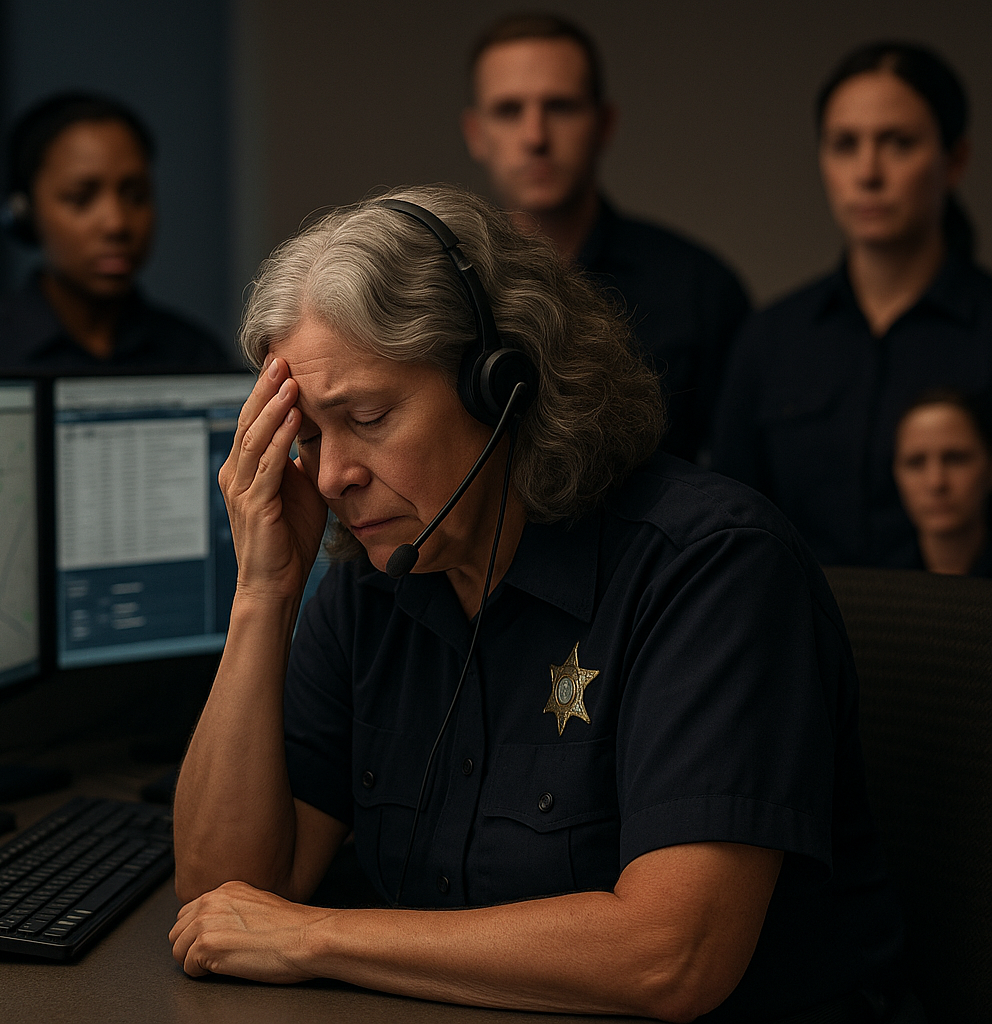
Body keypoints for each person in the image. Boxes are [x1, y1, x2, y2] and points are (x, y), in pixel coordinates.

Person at [169, 185, 909, 1023]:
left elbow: (672, 957)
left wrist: (315, 938)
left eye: (367, 417)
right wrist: (264, 592)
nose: (333, 475)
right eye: (308, 438)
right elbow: (221, 909)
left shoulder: (710, 569)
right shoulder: (372, 584)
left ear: (503, 385)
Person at [713, 42, 991, 568]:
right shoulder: (772, 340)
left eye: (898, 143)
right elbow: (731, 524)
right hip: (804, 641)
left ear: (954, 160)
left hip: (965, 637)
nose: (867, 172)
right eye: (844, 144)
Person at [461, 13, 748, 463]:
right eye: (509, 110)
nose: (535, 137)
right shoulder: (441, 291)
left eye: (560, 107)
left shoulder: (699, 290)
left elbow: (740, 483)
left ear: (604, 123)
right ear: (476, 134)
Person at [0, 91, 233, 371]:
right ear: (22, 211)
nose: (116, 224)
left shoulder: (194, 355)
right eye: (80, 199)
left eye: (136, 196)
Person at [893, 389, 992, 576]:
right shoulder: (873, 582)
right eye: (916, 463)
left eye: (955, 459)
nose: (936, 483)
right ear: (896, 473)